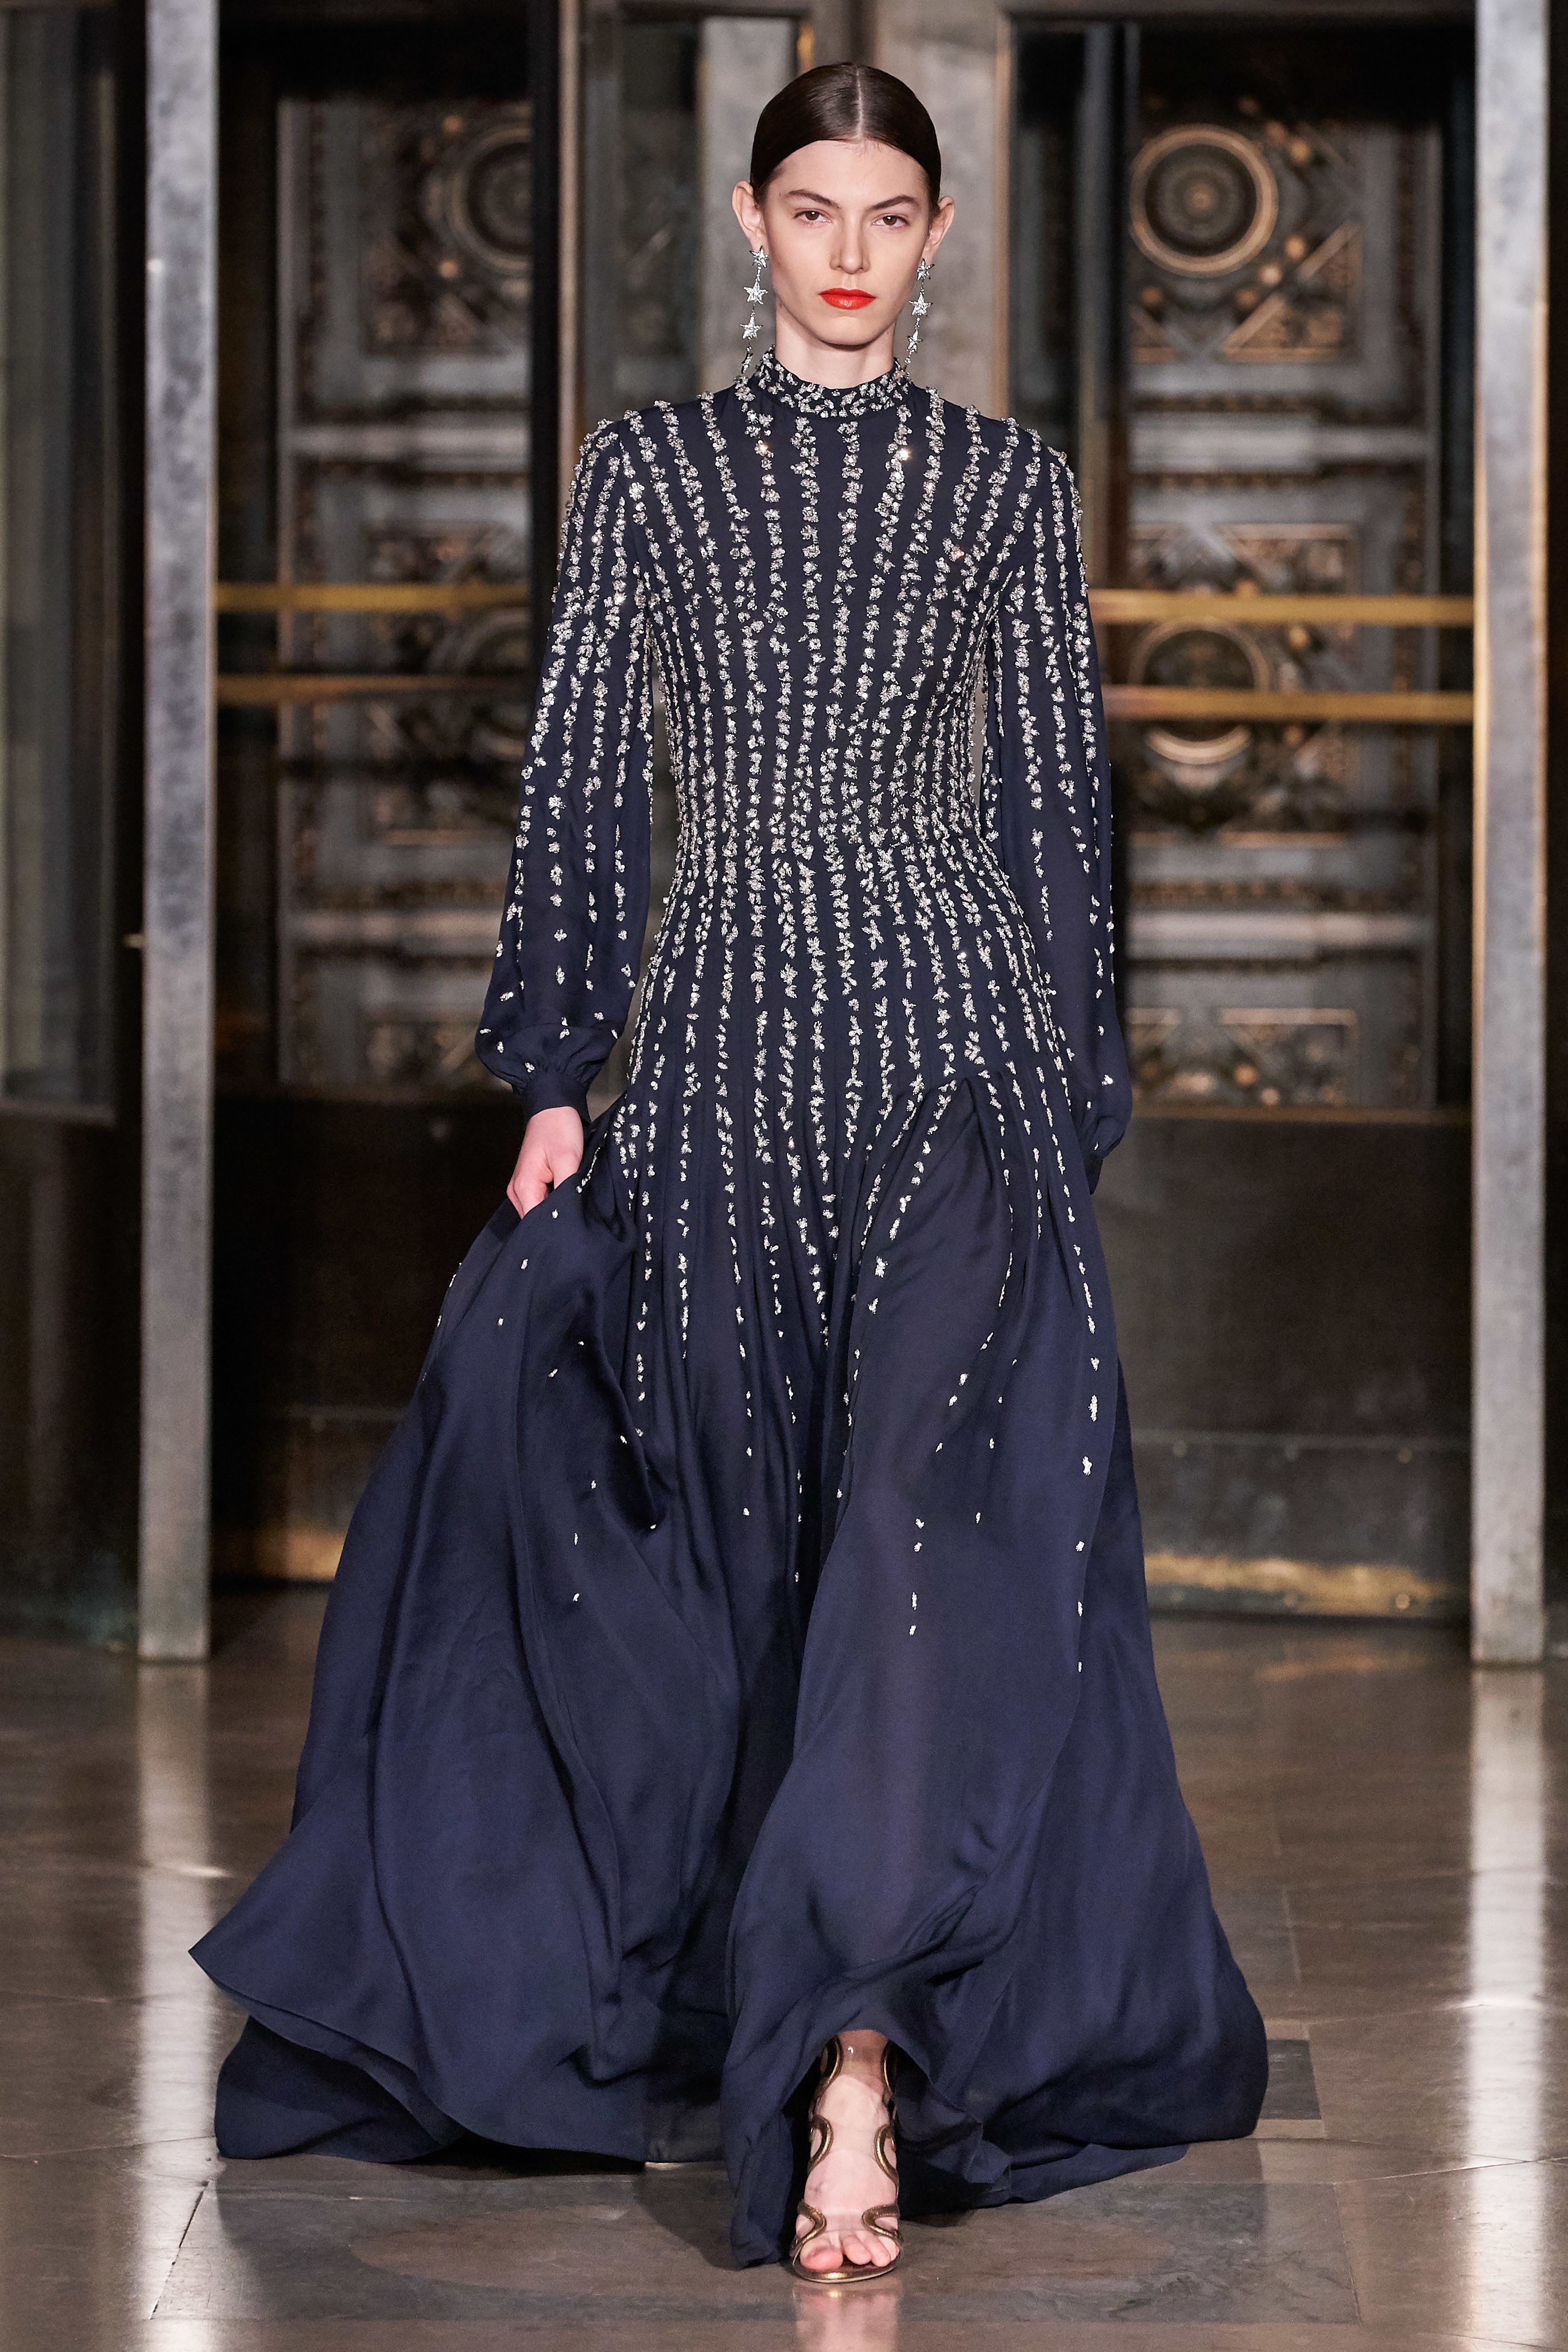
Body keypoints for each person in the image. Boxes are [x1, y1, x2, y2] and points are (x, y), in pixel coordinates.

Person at [194, 61, 1266, 2285]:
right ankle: (775, 1995)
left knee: (920, 1536)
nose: (849, 251)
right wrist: (551, 1065)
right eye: (811, 208)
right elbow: (587, 761)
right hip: (718, 1061)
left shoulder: (1003, 484)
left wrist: (1073, 1088)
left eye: (889, 212)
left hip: (956, 1052)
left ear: (935, 235)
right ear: (752, 221)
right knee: (757, 1552)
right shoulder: (649, 474)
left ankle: (859, 2062)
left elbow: (1051, 807)